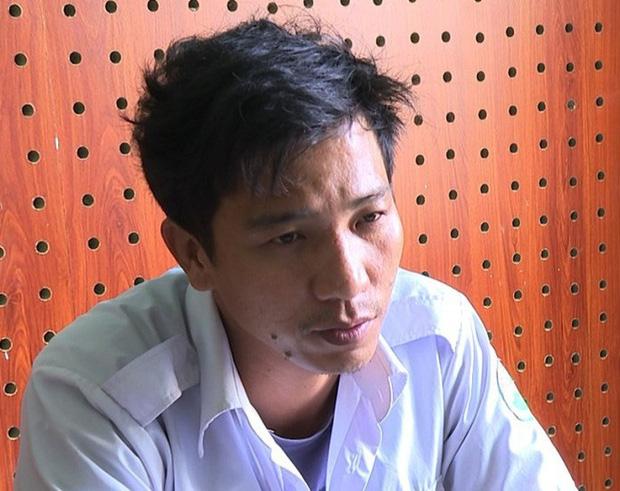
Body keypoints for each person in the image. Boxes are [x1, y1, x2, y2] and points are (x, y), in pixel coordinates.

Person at [16, 17, 577, 490]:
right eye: (288, 238)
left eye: (369, 218)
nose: (349, 281)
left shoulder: (439, 338)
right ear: (195, 254)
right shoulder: (96, 395)